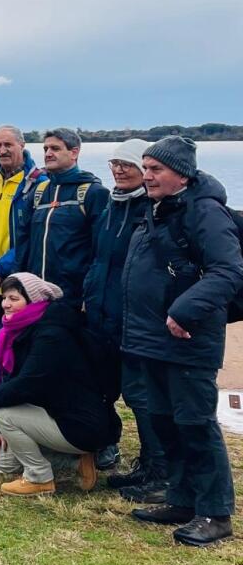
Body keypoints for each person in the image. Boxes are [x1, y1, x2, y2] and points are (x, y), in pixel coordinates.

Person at [121, 136, 243, 546]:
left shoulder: (205, 212)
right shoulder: (157, 209)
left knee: (195, 424)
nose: (147, 176)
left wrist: (184, 310)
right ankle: (181, 498)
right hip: (151, 337)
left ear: (182, 174)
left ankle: (215, 512)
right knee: (163, 421)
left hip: (188, 337)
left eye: (156, 170)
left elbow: (227, 271)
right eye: (146, 167)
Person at [0, 273, 114, 497]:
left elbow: (28, 383)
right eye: (4, 297)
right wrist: (2, 433)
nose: (6, 304)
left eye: (14, 298)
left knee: (3, 416)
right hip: (53, 412)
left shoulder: (51, 335)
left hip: (79, 422)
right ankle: (74, 463)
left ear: (33, 300)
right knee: (4, 464)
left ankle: (40, 478)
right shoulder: (23, 329)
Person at [81, 140, 162, 496]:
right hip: (100, 309)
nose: (118, 170)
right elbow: (99, 257)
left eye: (126, 164)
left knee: (139, 393)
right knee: (104, 385)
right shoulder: (111, 205)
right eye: (114, 163)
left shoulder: (152, 207)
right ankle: (111, 446)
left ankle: (155, 466)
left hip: (134, 316)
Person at [18, 127, 110, 301]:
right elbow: (23, 241)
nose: (48, 153)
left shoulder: (93, 192)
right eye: (45, 149)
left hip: (71, 295)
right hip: (35, 292)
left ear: (74, 152)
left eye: (55, 148)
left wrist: (90, 294)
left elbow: (101, 251)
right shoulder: (38, 192)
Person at [0, 125, 46, 292]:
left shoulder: (38, 184)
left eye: (8, 145)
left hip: (16, 283)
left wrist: (1, 267)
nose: (2, 151)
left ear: (22, 145)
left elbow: (35, 237)